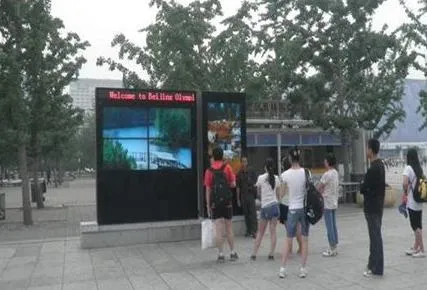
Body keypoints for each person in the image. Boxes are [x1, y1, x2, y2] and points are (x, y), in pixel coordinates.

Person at [279, 147, 310, 279]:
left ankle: (282, 268)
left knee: (288, 239)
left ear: (290, 159)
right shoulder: (306, 172)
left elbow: (281, 194)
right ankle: (302, 269)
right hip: (304, 209)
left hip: (291, 209)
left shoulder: (285, 175)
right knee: (304, 239)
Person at [204, 147, 238, 263]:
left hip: (215, 203)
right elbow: (233, 184)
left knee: (218, 229)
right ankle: (233, 252)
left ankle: (221, 254)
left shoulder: (209, 171)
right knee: (229, 227)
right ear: (222, 156)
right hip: (227, 202)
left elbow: (208, 189)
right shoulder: (227, 167)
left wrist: (208, 205)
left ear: (213, 156)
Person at [360, 139, 386, 277]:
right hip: (378, 206)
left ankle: (376, 267)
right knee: (375, 236)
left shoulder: (373, 169)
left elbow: (364, 188)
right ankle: (373, 265)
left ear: (370, 150)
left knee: (375, 237)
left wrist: (362, 185)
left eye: (367, 148)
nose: (366, 151)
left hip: (371, 208)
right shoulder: (381, 165)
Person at [251, 158, 281, 261]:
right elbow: (278, 195)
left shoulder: (260, 178)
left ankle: (254, 254)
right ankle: (271, 254)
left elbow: (258, 193)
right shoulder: (276, 178)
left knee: (260, 232)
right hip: (275, 206)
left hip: (265, 207)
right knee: (273, 231)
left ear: (265, 167)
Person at [403, 148, 425, 257]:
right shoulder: (419, 169)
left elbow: (405, 183)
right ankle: (416, 247)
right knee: (418, 224)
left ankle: (422, 249)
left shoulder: (408, 168)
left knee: (414, 225)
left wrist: (405, 193)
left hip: (412, 201)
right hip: (419, 200)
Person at [317, 153, 340, 257]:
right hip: (334, 201)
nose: (324, 162)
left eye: (325, 161)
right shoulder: (335, 173)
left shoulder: (327, 174)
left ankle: (332, 247)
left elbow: (319, 187)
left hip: (327, 202)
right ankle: (335, 245)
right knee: (333, 224)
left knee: (329, 226)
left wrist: (320, 192)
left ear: (328, 162)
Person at [279, 157, 303, 254]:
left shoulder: (284, 175)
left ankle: (289, 249)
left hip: (285, 204)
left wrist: (278, 196)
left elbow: (282, 193)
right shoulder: (300, 173)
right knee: (297, 227)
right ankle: (301, 247)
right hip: (297, 204)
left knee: (288, 229)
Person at [237, 156, 258, 238]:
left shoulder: (251, 171)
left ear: (247, 162)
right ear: (241, 163)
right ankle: (248, 230)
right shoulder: (239, 173)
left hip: (251, 194)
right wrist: (238, 199)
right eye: (242, 161)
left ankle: (254, 231)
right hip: (243, 195)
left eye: (245, 161)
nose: (244, 163)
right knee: (246, 213)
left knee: (253, 213)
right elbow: (238, 187)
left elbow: (256, 182)